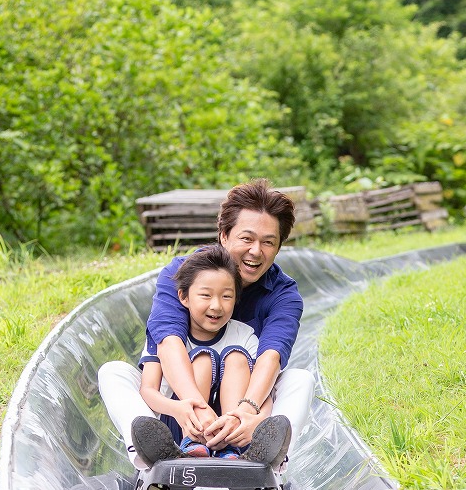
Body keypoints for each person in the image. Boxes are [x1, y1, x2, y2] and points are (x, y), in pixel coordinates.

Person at [99, 179, 314, 470]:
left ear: (278, 247)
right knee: (113, 372)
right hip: (181, 410)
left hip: (243, 409)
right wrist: (191, 406)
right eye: (246, 238)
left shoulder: (283, 295)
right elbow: (169, 341)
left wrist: (249, 415)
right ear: (224, 236)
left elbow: (271, 357)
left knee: (301, 379)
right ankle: (155, 454)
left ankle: (265, 459)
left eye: (268, 242)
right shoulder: (183, 274)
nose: (255, 251)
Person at [132, 244, 290, 465]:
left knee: (236, 357)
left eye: (226, 296)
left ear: (236, 299)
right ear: (184, 297)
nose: (216, 306)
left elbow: (263, 393)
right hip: (182, 424)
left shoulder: (243, 335)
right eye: (205, 295)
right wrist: (178, 408)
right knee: (203, 358)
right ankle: (188, 446)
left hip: (233, 430)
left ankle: (233, 451)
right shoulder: (169, 335)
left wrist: (256, 419)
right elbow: (148, 389)